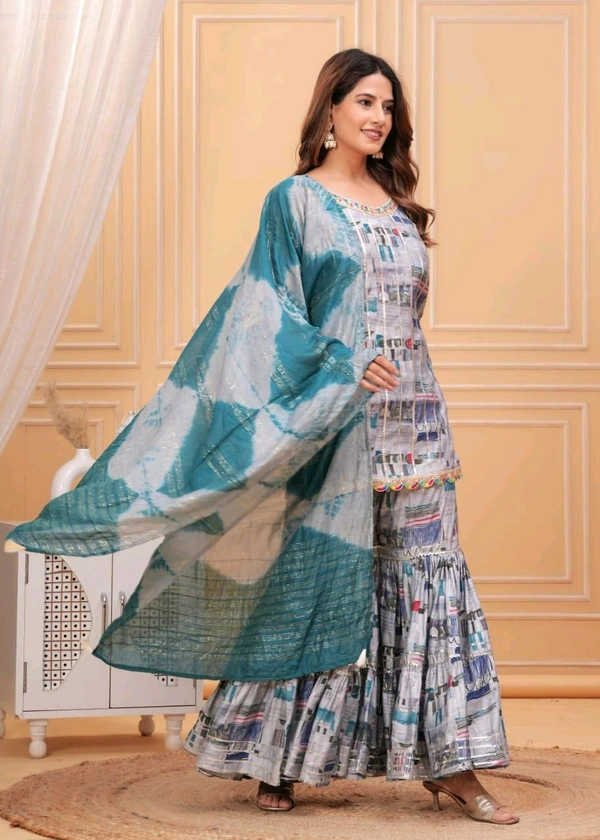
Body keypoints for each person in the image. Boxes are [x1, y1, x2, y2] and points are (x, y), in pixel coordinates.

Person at [7, 48, 517, 826]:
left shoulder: (400, 207)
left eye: (388, 106)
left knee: (425, 589)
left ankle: (452, 763)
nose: (379, 117)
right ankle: (279, 758)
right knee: (311, 588)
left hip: (417, 433)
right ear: (331, 109)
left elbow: (405, 326)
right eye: (365, 102)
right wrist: (343, 365)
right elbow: (267, 315)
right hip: (332, 429)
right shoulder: (296, 202)